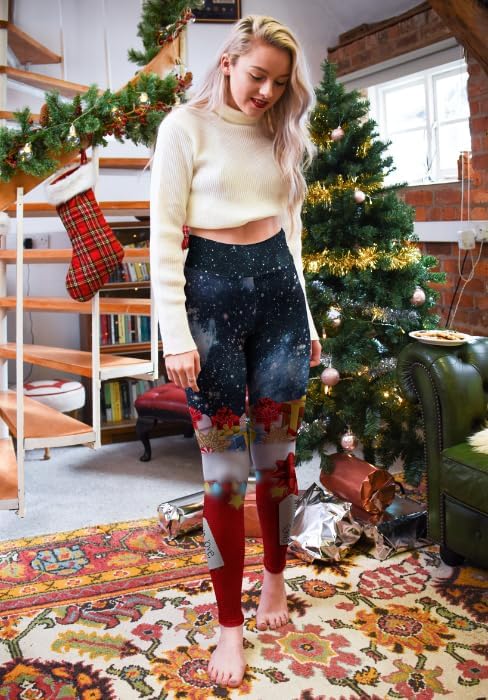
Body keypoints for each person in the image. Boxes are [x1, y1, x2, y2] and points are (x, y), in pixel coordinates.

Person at [150, 14, 321, 688]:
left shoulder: (280, 132)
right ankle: (228, 626)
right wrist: (175, 334)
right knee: (223, 473)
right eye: (257, 76)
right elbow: (165, 237)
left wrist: (308, 318)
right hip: (210, 300)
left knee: (277, 462)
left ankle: (274, 580)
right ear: (228, 61)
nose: (267, 93)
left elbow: (293, 232)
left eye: (279, 83)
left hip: (281, 295)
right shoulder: (183, 128)